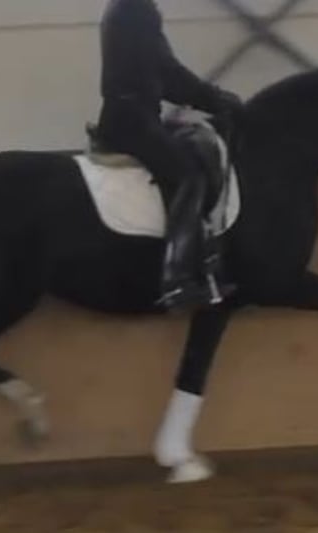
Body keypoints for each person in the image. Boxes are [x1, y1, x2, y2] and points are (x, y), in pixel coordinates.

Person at [92, 0, 245, 310]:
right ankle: (177, 278)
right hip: (130, 120)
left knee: (197, 145)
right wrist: (214, 99)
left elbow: (164, 75)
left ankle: (205, 261)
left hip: (139, 114)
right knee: (187, 174)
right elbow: (167, 71)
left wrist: (209, 99)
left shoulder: (129, 8)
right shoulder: (136, 10)